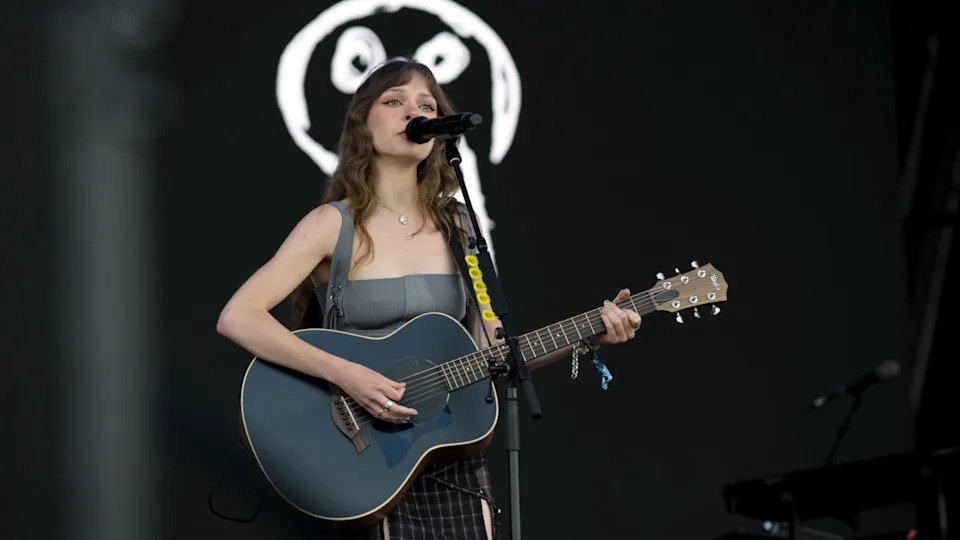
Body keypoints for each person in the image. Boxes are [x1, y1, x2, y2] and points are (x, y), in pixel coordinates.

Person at [216, 57, 642, 540]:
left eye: (426, 104)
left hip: (447, 455)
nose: (412, 112)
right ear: (363, 122)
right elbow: (239, 317)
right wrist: (347, 375)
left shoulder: (459, 229)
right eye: (394, 101)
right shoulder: (333, 225)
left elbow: (496, 352)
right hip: (358, 462)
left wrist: (591, 335)